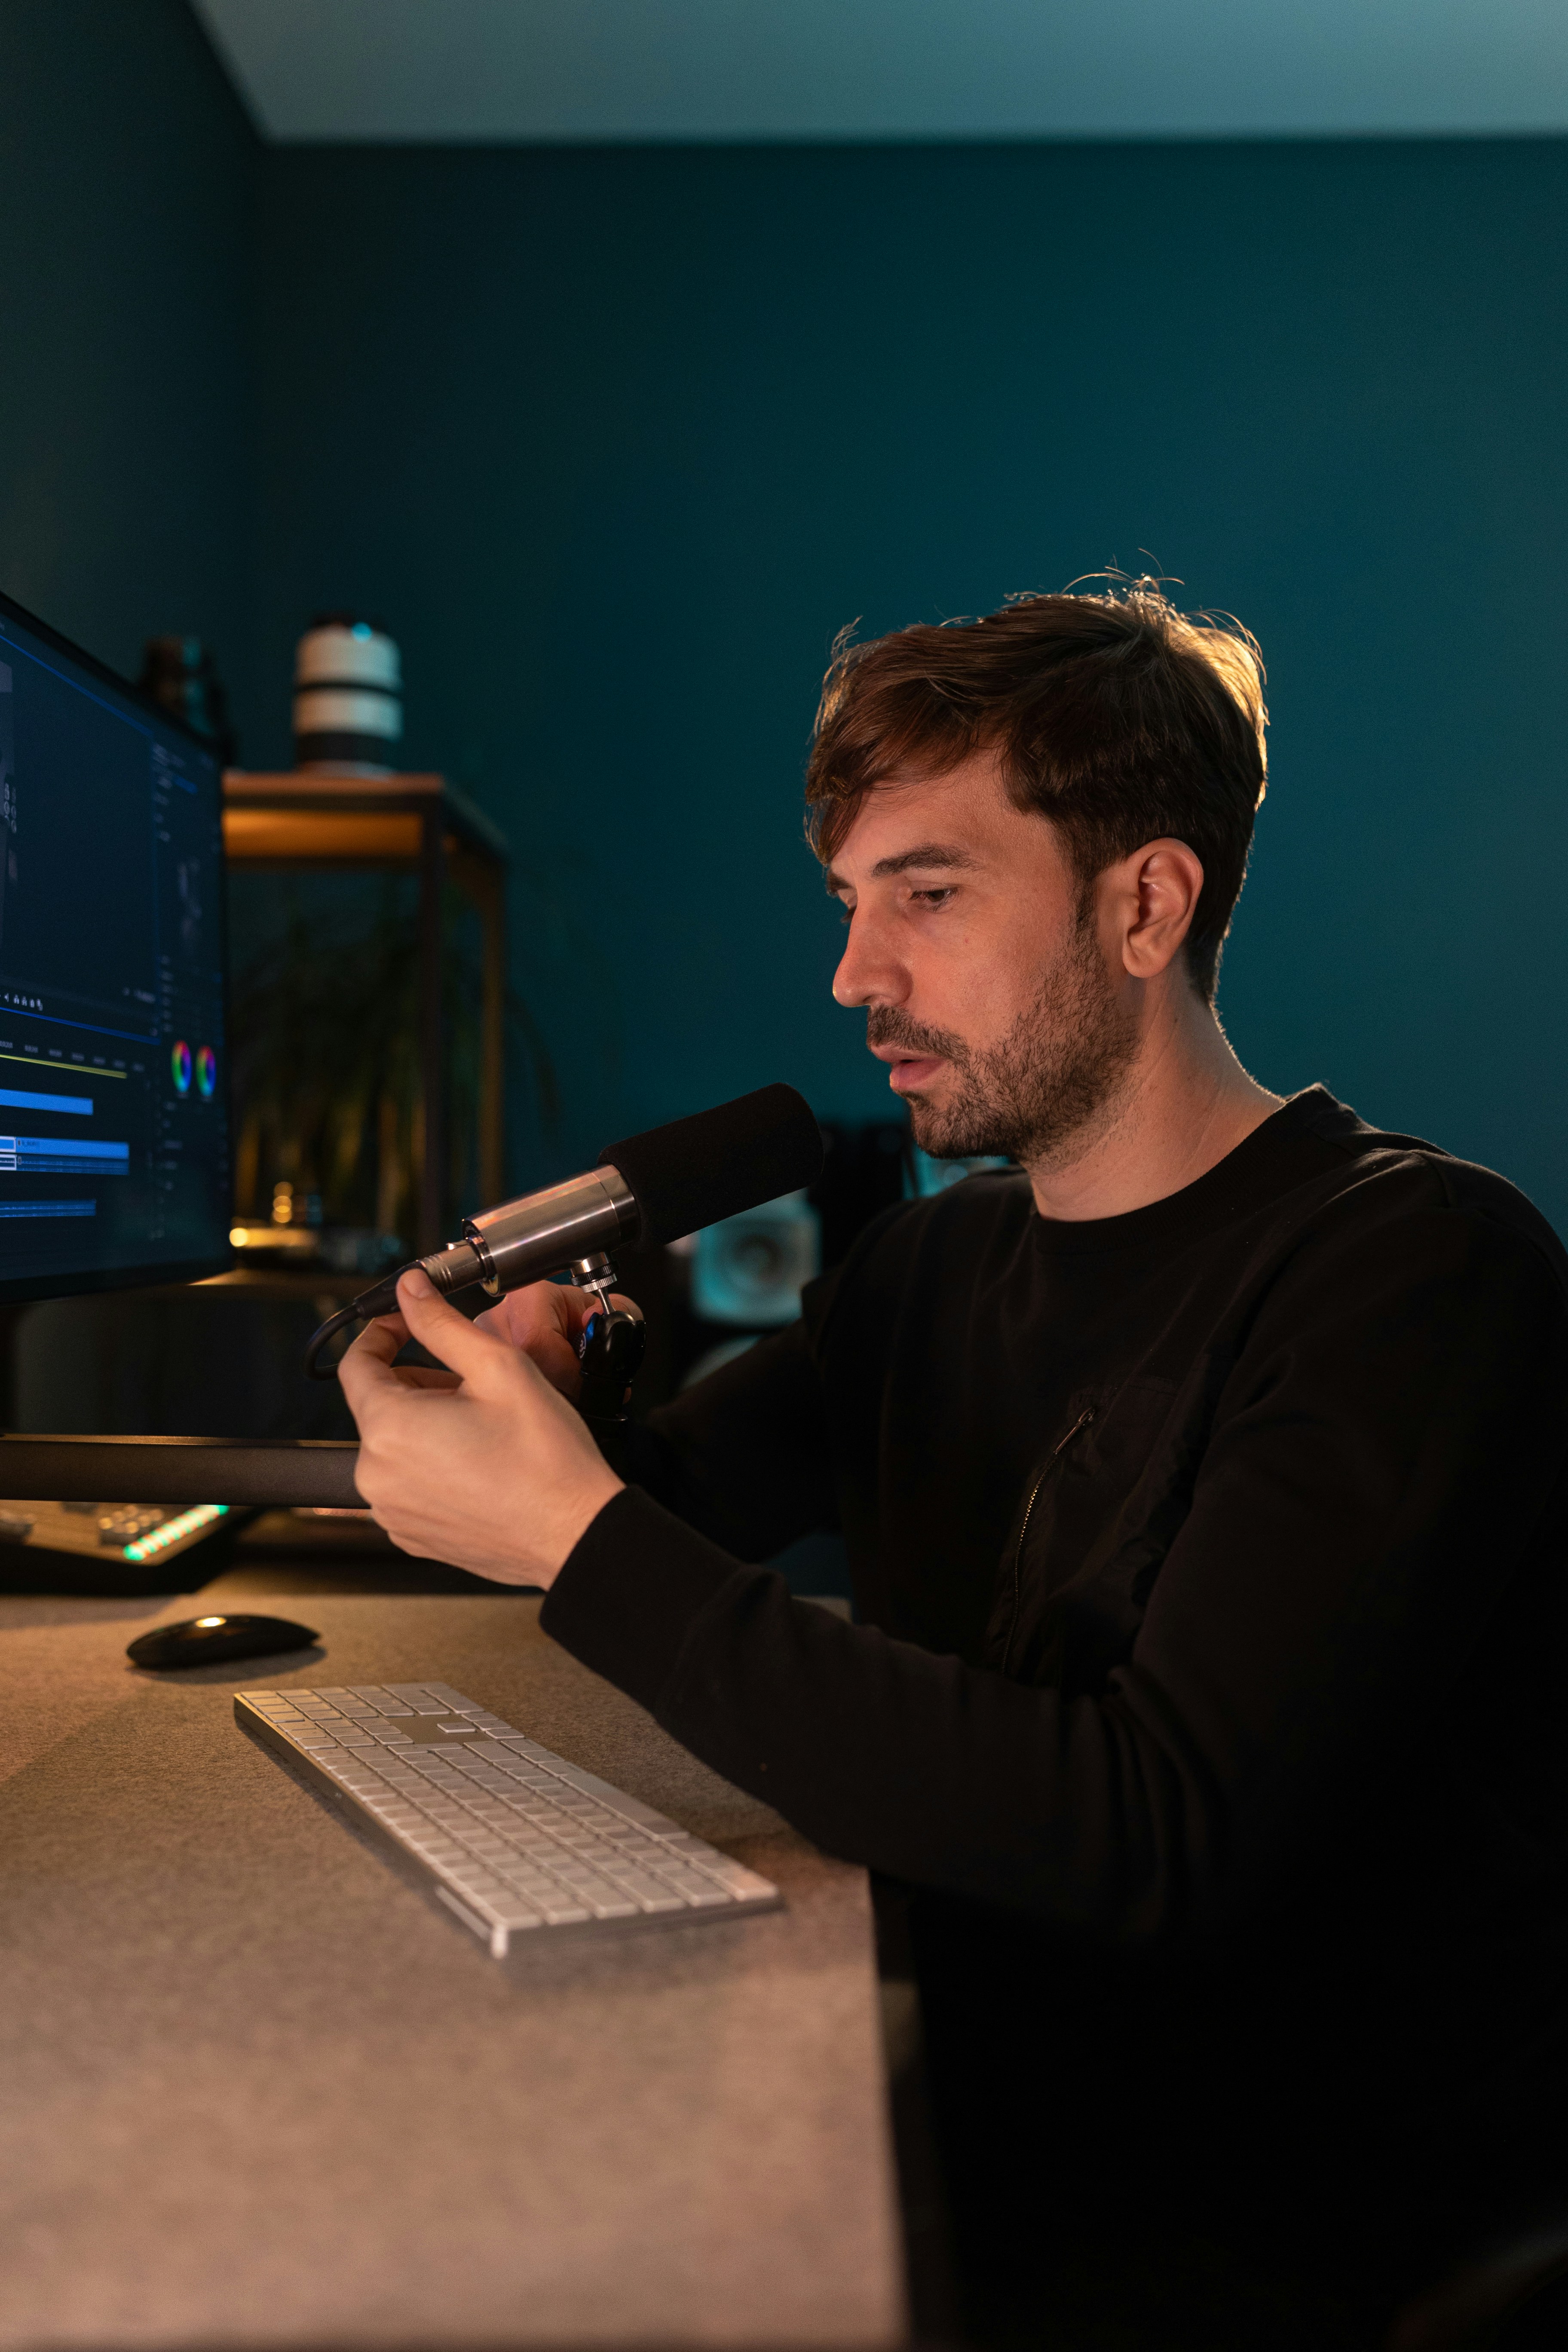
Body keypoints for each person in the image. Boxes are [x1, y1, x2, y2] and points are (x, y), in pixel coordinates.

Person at [340, 584, 1568, 2349]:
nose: (856, 976)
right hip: (950, 2093)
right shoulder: (929, 1266)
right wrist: (564, 1398)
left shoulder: (1415, 1273)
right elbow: (664, 1519)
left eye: (927, 894)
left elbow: (1161, 1836)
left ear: (1146, 904)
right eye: (850, 904)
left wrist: (578, 1527)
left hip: (1251, 2225)